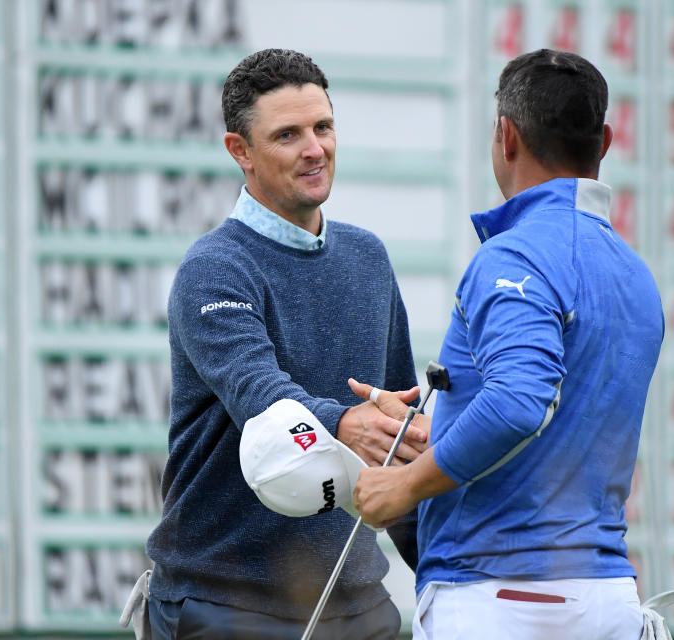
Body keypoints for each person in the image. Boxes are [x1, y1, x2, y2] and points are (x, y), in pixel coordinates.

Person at [351, 49, 665, 639]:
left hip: (503, 598)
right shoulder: (635, 273)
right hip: (609, 596)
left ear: (506, 134)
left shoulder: (513, 254)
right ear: (605, 140)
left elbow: (522, 400)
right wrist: (439, 432)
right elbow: (557, 419)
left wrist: (404, 485)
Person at [141, 48, 427, 639]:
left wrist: (447, 571)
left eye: (323, 127)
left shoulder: (369, 257)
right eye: (288, 134)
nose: (314, 148)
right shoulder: (214, 268)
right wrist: (344, 421)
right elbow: (260, 396)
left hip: (359, 605)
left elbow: (397, 435)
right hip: (225, 604)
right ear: (239, 151)